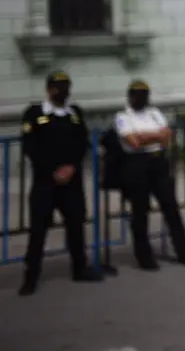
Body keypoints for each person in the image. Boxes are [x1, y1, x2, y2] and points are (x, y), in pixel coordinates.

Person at [19, 71, 104, 296]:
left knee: (76, 225)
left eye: (66, 86)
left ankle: (79, 268)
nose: (63, 91)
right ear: (49, 89)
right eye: (58, 87)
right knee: (38, 230)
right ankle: (31, 277)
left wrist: (71, 167)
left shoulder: (74, 114)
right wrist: (53, 170)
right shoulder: (34, 113)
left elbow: (82, 143)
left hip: (71, 181)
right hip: (45, 182)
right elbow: (30, 147)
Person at [114, 80, 185, 270]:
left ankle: (183, 251)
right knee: (140, 212)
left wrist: (146, 136)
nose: (141, 98)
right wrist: (154, 136)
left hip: (158, 162)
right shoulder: (122, 117)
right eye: (137, 94)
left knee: (171, 208)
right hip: (137, 164)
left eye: (144, 94)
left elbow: (166, 138)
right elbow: (133, 141)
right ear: (130, 96)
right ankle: (144, 257)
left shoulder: (155, 113)